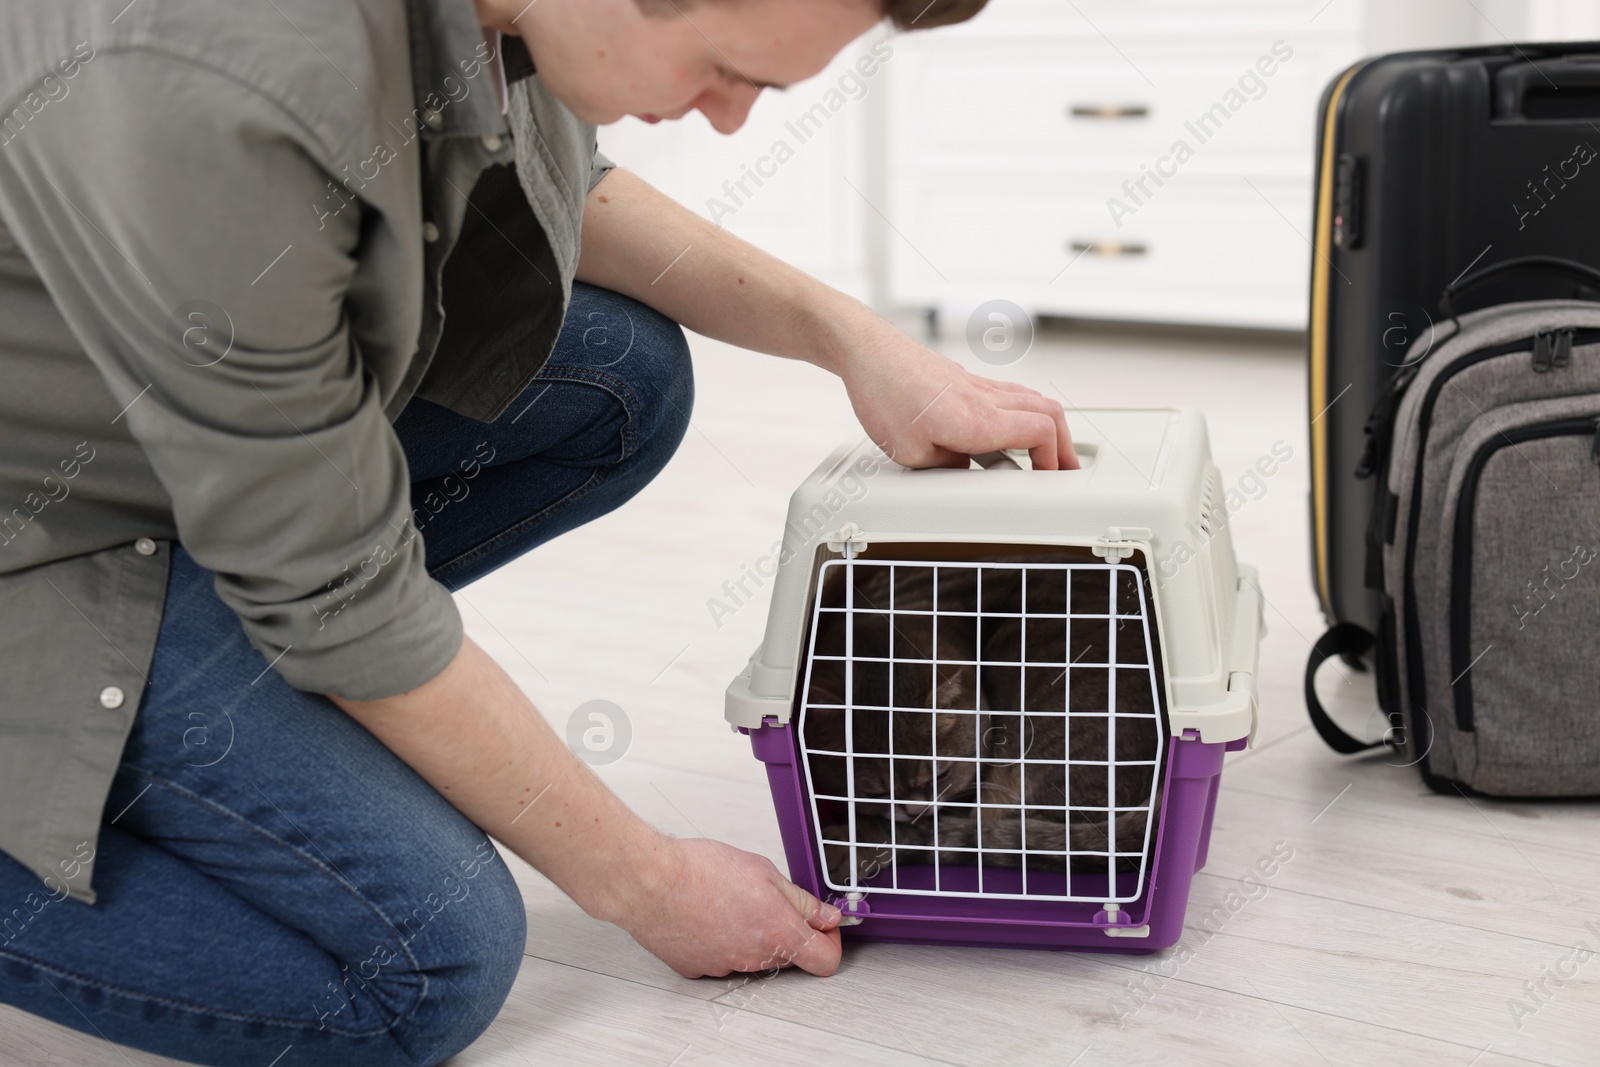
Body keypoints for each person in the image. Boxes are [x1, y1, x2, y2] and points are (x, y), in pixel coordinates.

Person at [0, 0, 1076, 1063]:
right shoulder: (217, 81)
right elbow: (340, 596)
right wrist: (649, 881)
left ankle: (244, 634)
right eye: (721, 68)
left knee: (617, 375)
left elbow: (571, 193)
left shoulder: (510, 15)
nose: (732, 119)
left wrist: (854, 342)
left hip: (160, 432)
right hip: (46, 533)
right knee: (425, 963)